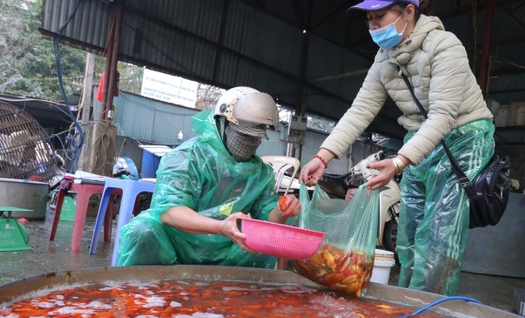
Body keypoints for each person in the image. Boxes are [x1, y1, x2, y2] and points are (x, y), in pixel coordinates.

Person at [299, 0, 495, 296]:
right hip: (419, 143)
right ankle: (405, 303)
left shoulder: (444, 45)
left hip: (464, 139)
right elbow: (361, 110)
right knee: (409, 234)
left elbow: (443, 115)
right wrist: (323, 156)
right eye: (370, 19)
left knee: (438, 238)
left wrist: (400, 162)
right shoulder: (384, 59)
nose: (374, 25)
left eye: (381, 17)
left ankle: (426, 313)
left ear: (408, 12)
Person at [118, 86, 301, 268]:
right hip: (177, 244)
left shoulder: (259, 173)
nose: (248, 142)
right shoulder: (187, 157)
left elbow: (268, 220)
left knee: (265, 241)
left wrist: (282, 211)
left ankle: (240, 294)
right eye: (242, 134)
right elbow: (169, 212)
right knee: (142, 231)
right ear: (222, 123)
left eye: (255, 137)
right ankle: (141, 294)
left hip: (226, 250)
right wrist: (221, 228)